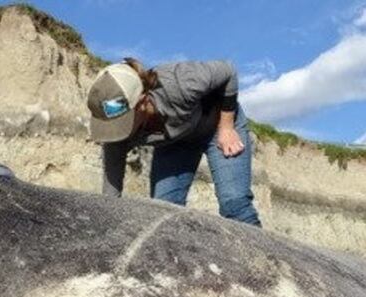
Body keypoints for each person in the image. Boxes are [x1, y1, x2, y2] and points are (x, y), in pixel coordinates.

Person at [87, 58, 261, 227]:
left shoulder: (179, 82)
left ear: (141, 101)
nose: (117, 130)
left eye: (121, 123)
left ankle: (263, 256)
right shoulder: (116, 134)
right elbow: (111, 191)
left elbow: (228, 71)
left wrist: (226, 127)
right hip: (177, 142)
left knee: (234, 204)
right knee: (162, 212)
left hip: (217, 125)